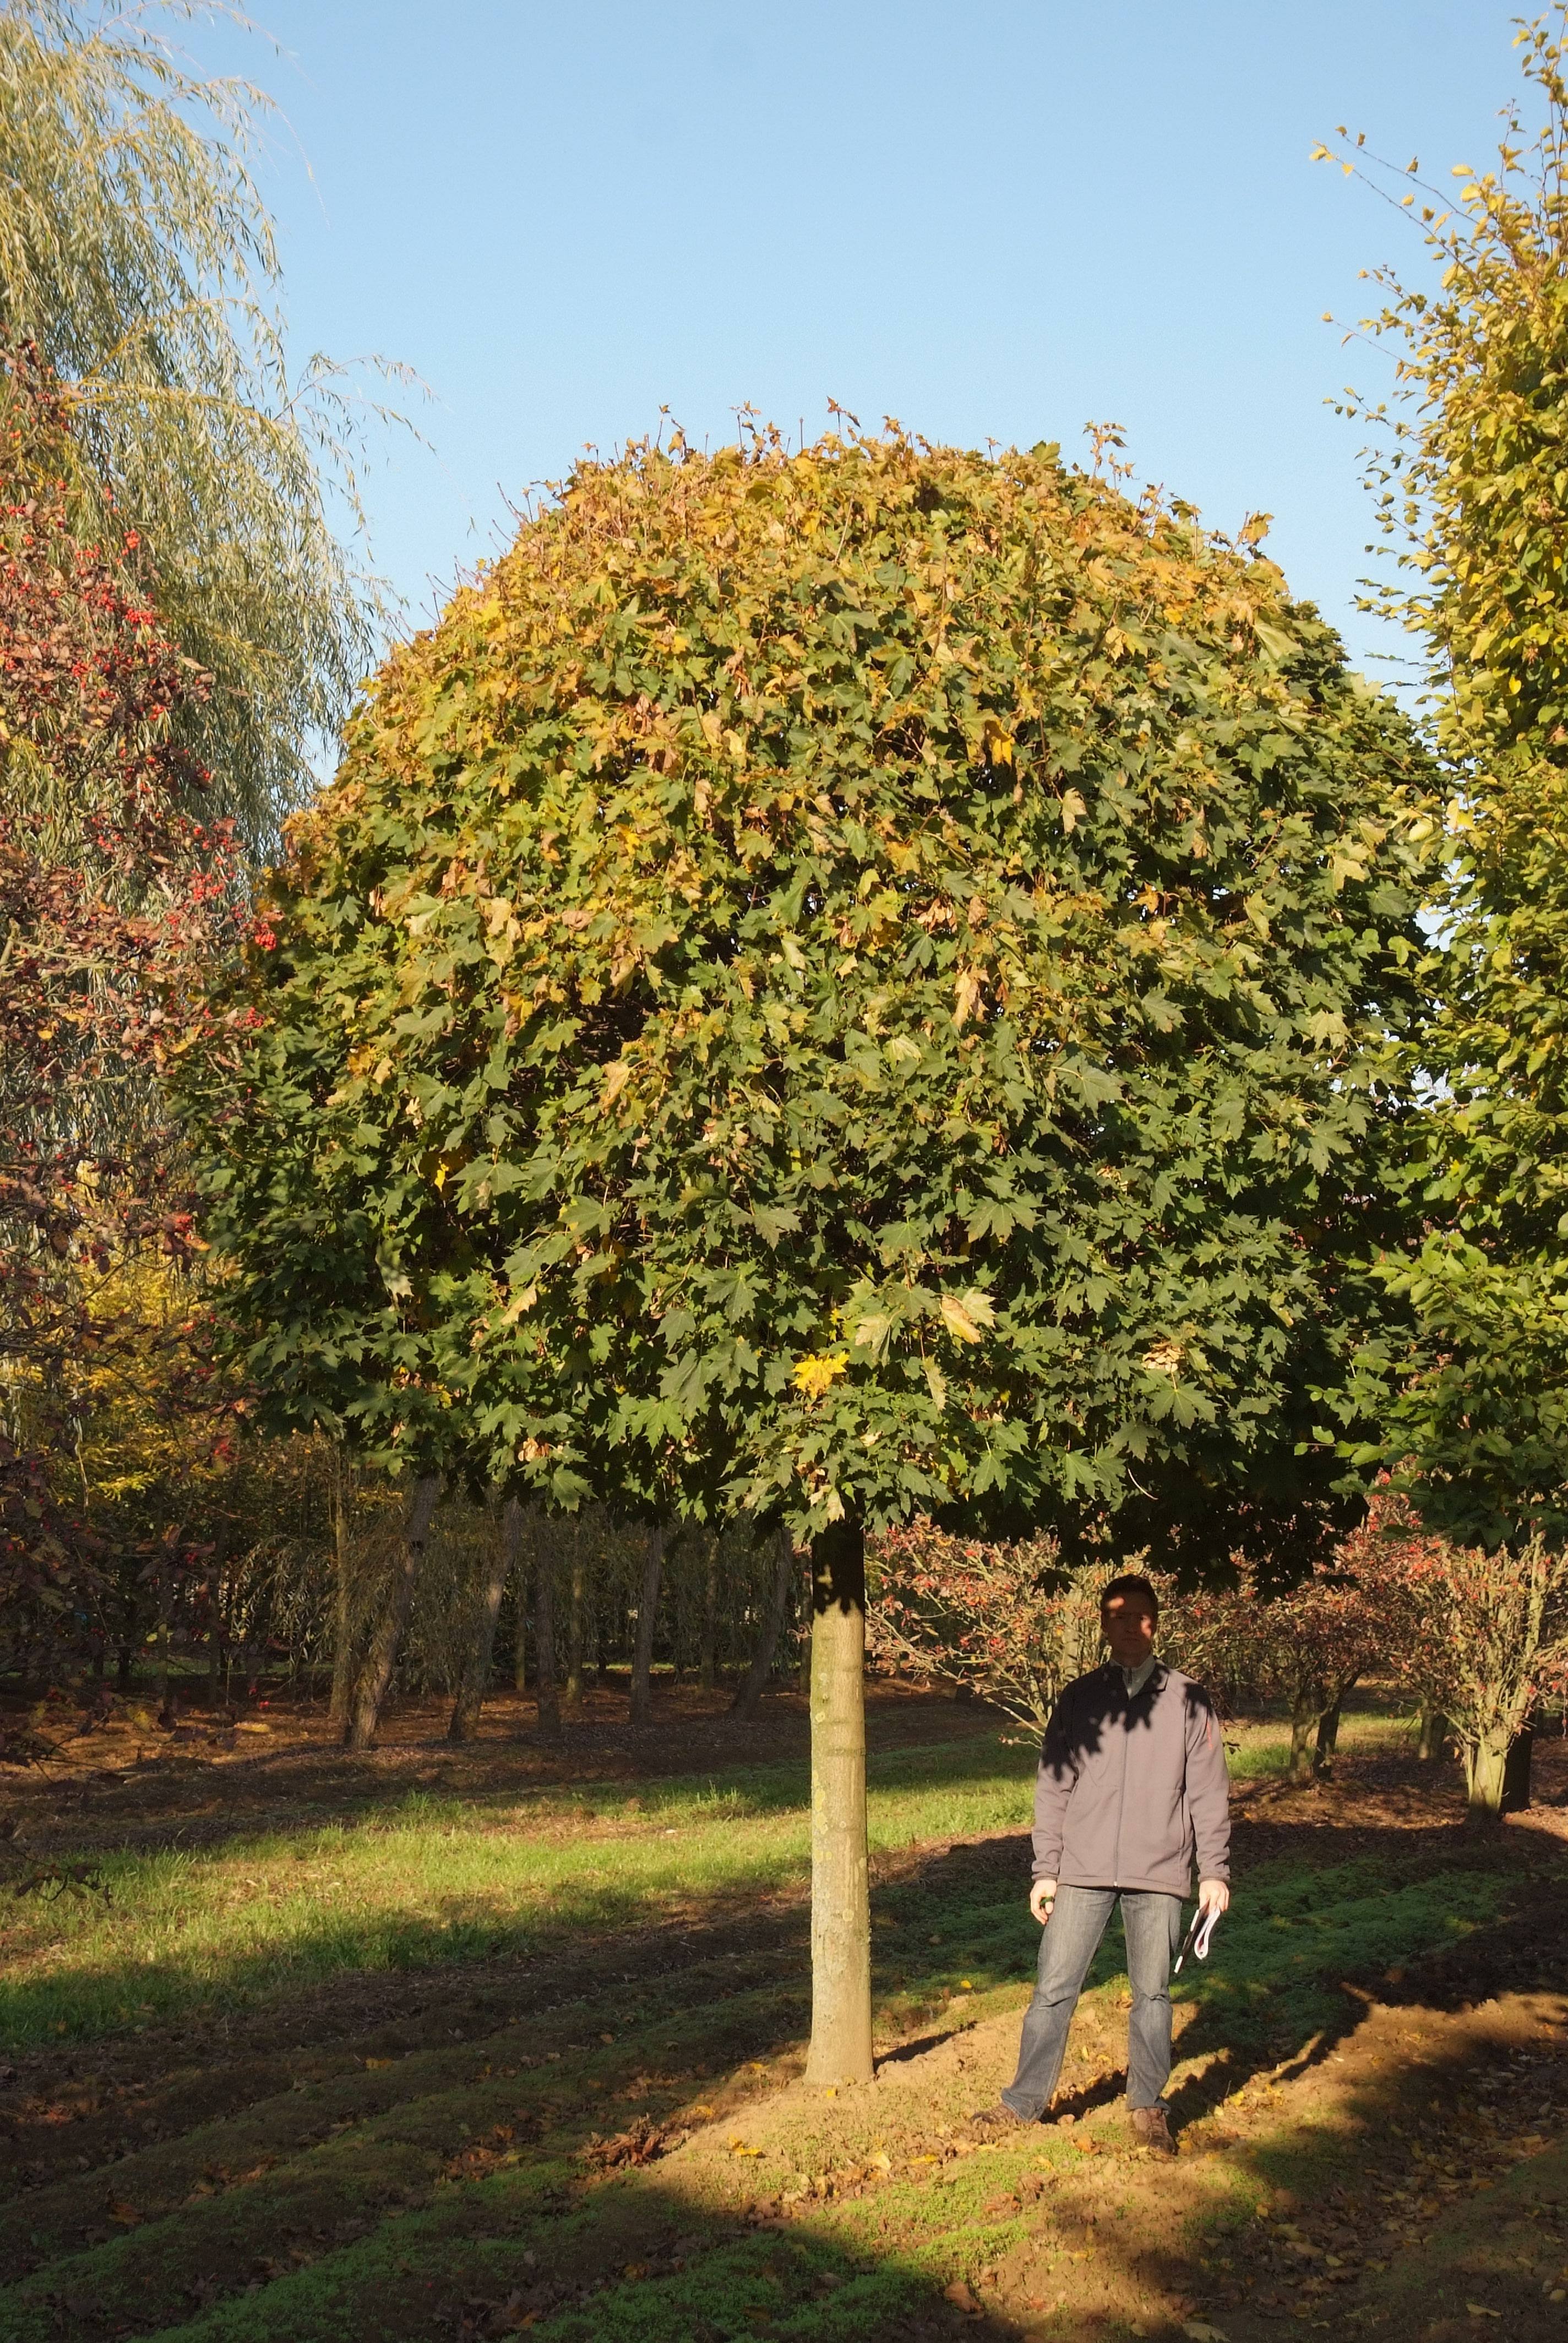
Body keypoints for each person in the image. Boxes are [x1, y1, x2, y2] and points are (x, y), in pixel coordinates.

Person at [972, 1572, 1231, 2157]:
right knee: (1052, 1989)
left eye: (1140, 1615)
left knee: (1153, 1994)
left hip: (1159, 1871)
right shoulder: (1079, 1697)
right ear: (1103, 1624)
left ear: (1154, 1622)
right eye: (1117, 1615)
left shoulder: (1190, 1698)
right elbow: (1054, 1786)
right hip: (1082, 1870)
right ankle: (1022, 2102)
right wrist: (1047, 1868)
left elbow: (1209, 1792)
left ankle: (1147, 2106)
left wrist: (1213, 1870)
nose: (1130, 1626)